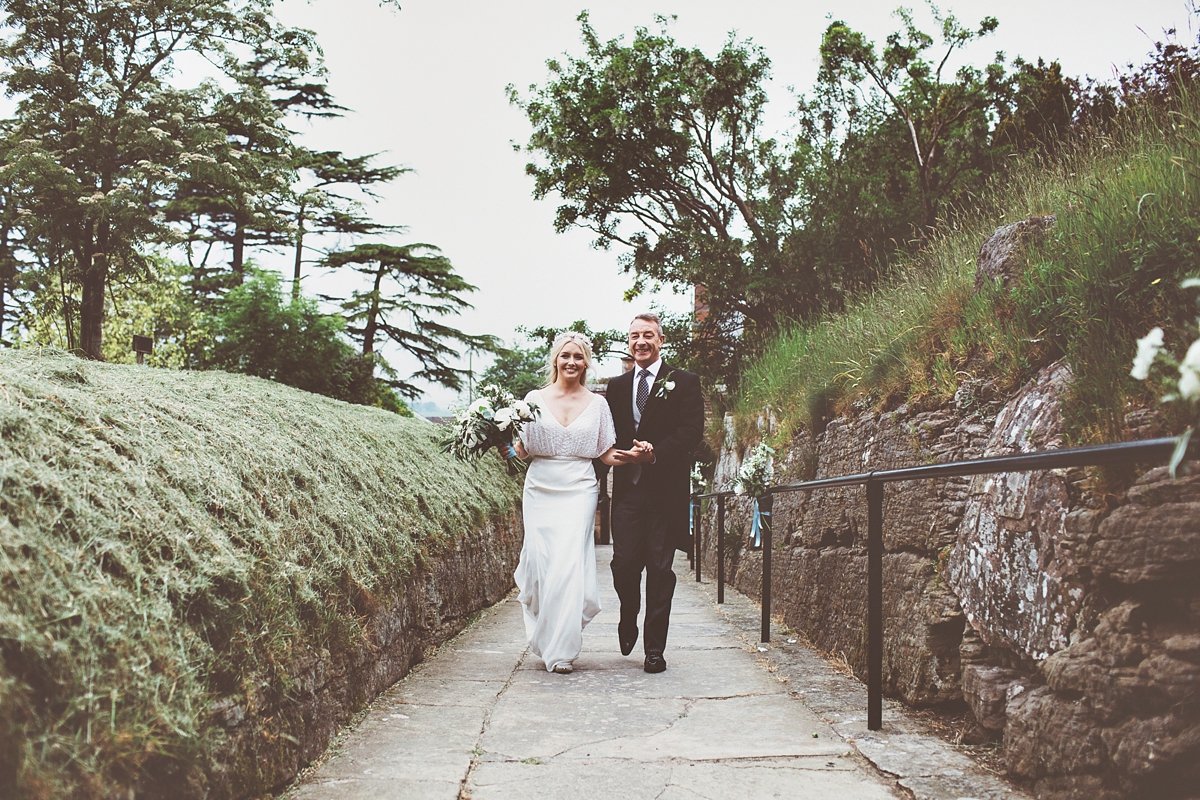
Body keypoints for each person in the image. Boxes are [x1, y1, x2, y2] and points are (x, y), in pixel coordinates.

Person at [503, 332, 636, 674]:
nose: (572, 362)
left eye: (578, 356)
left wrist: (636, 456)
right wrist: (500, 432)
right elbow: (522, 449)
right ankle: (547, 635)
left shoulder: (598, 404)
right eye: (566, 356)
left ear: (586, 363)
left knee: (568, 564)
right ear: (555, 360)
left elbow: (606, 453)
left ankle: (562, 650)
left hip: (579, 488)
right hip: (540, 488)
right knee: (542, 563)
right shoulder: (533, 398)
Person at [604, 313, 704, 673]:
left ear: (661, 340)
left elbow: (692, 431)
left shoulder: (684, 381)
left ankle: (655, 649)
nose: (641, 342)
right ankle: (628, 613)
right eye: (634, 336)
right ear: (628, 342)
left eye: (648, 335)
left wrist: (656, 451)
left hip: (665, 493)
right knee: (624, 566)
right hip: (628, 493)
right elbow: (607, 435)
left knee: (661, 571)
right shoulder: (616, 386)